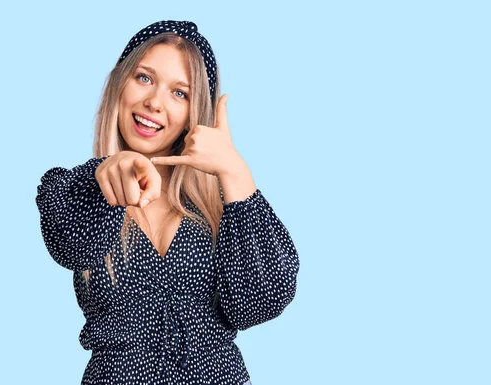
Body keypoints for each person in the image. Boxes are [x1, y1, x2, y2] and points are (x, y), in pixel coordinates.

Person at [35, 20, 300, 385]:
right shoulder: (79, 191)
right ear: (119, 83)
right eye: (144, 78)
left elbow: (258, 304)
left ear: (196, 113)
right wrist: (106, 174)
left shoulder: (224, 209)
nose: (155, 103)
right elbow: (71, 245)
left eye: (180, 93)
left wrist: (235, 171)